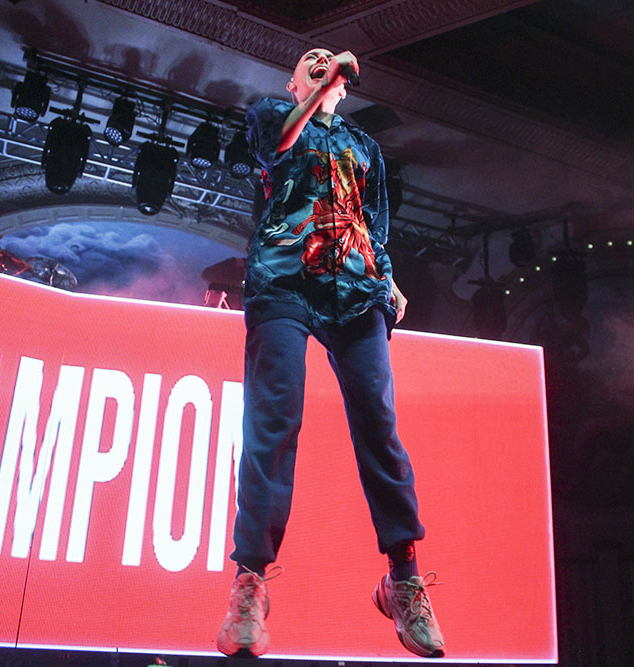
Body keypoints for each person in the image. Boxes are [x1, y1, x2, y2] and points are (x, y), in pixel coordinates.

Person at [216, 48, 445, 659]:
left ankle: (403, 580)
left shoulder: (366, 147)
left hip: (355, 286)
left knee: (378, 421)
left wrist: (388, 278)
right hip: (284, 284)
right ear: (295, 82)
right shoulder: (272, 113)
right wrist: (324, 82)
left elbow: (373, 223)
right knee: (274, 421)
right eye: (308, 62)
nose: (321, 63)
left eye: (328, 62)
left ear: (344, 89)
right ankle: (251, 585)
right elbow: (281, 143)